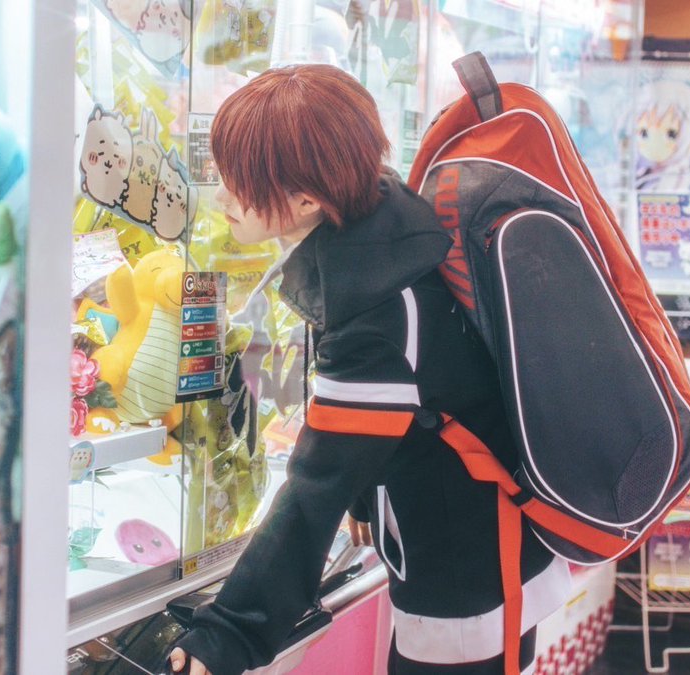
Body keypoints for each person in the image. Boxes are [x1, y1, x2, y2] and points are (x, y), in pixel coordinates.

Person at [168, 63, 570, 675]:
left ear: (307, 199)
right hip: (476, 543)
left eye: (237, 180)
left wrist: (226, 636)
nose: (222, 196)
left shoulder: (379, 313)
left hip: (466, 581)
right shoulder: (382, 229)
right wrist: (364, 498)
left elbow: (315, 486)